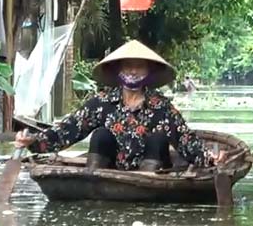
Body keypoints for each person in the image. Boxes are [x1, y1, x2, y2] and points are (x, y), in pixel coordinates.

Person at [14, 40, 224, 171]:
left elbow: (185, 139)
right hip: (111, 169)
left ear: (148, 72)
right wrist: (33, 141)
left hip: (152, 171)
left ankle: (146, 180)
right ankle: (96, 178)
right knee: (101, 135)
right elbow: (69, 129)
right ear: (118, 71)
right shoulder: (102, 103)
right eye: (128, 66)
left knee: (159, 139)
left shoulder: (161, 107)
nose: (133, 72)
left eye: (139, 67)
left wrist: (209, 158)